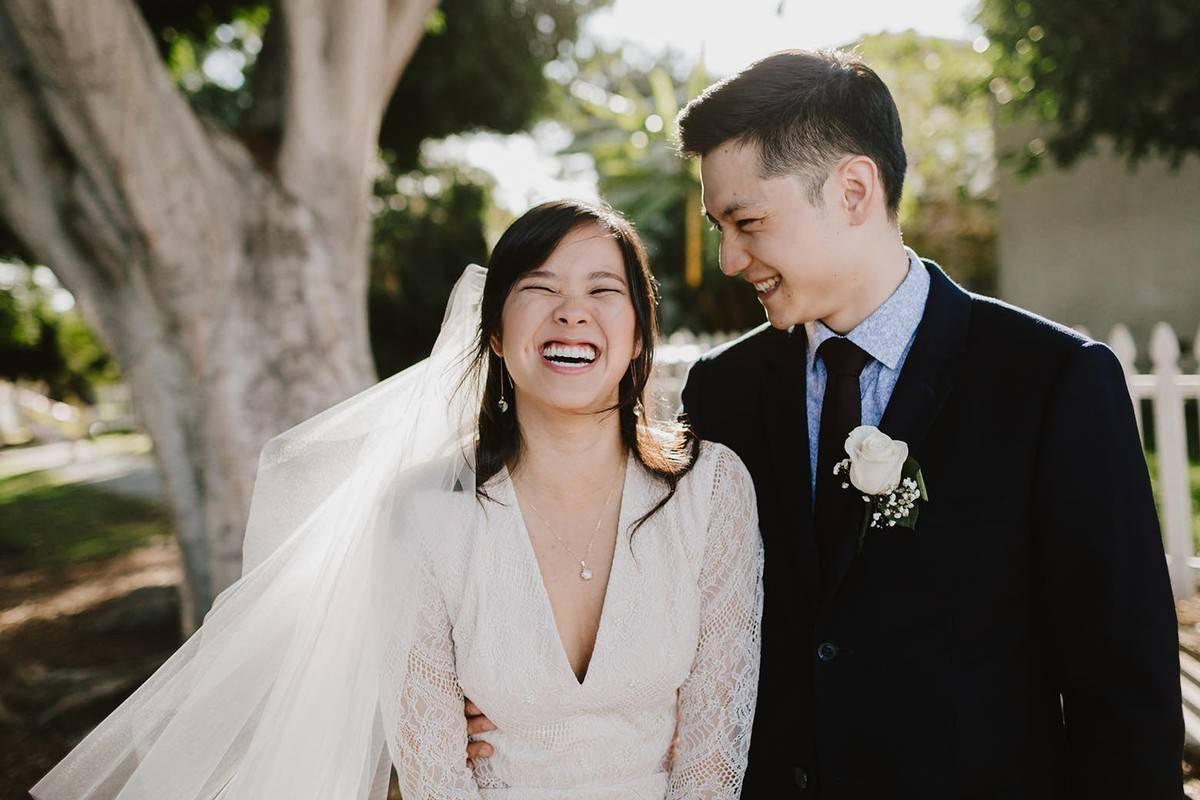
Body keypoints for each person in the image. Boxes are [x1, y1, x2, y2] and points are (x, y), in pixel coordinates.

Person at [29, 200, 764, 800]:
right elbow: (435, 770)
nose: (573, 312)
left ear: (638, 335)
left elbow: (712, 748)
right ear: (497, 336)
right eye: (539, 288)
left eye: (604, 290)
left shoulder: (712, 491)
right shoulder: (426, 511)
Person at [670, 48, 1183, 798]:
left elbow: (1124, 693)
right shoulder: (723, 394)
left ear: (852, 191)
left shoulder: (1053, 382)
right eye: (720, 227)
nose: (727, 259)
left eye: (747, 223)